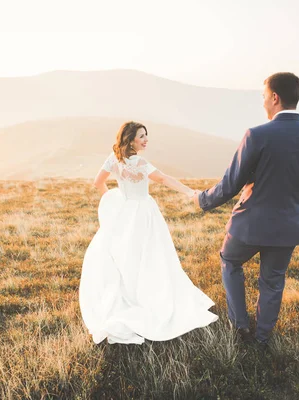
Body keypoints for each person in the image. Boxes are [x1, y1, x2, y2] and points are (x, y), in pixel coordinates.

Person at [193, 72, 299, 351]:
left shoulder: (257, 134)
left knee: (230, 261)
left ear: (275, 98)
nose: (263, 102)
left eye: (264, 96)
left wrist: (203, 200)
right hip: (289, 225)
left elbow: (231, 184)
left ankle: (240, 324)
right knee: (273, 281)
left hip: (250, 224)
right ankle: (263, 338)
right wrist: (295, 215)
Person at [79, 121, 218, 345]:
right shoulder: (140, 163)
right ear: (130, 139)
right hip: (143, 213)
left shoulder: (114, 158)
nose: (146, 140)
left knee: (126, 255)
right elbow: (163, 179)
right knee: (150, 254)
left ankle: (131, 293)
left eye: (146, 135)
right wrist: (190, 192)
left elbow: (98, 183)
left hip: (124, 212)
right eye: (141, 136)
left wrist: (113, 198)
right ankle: (148, 294)